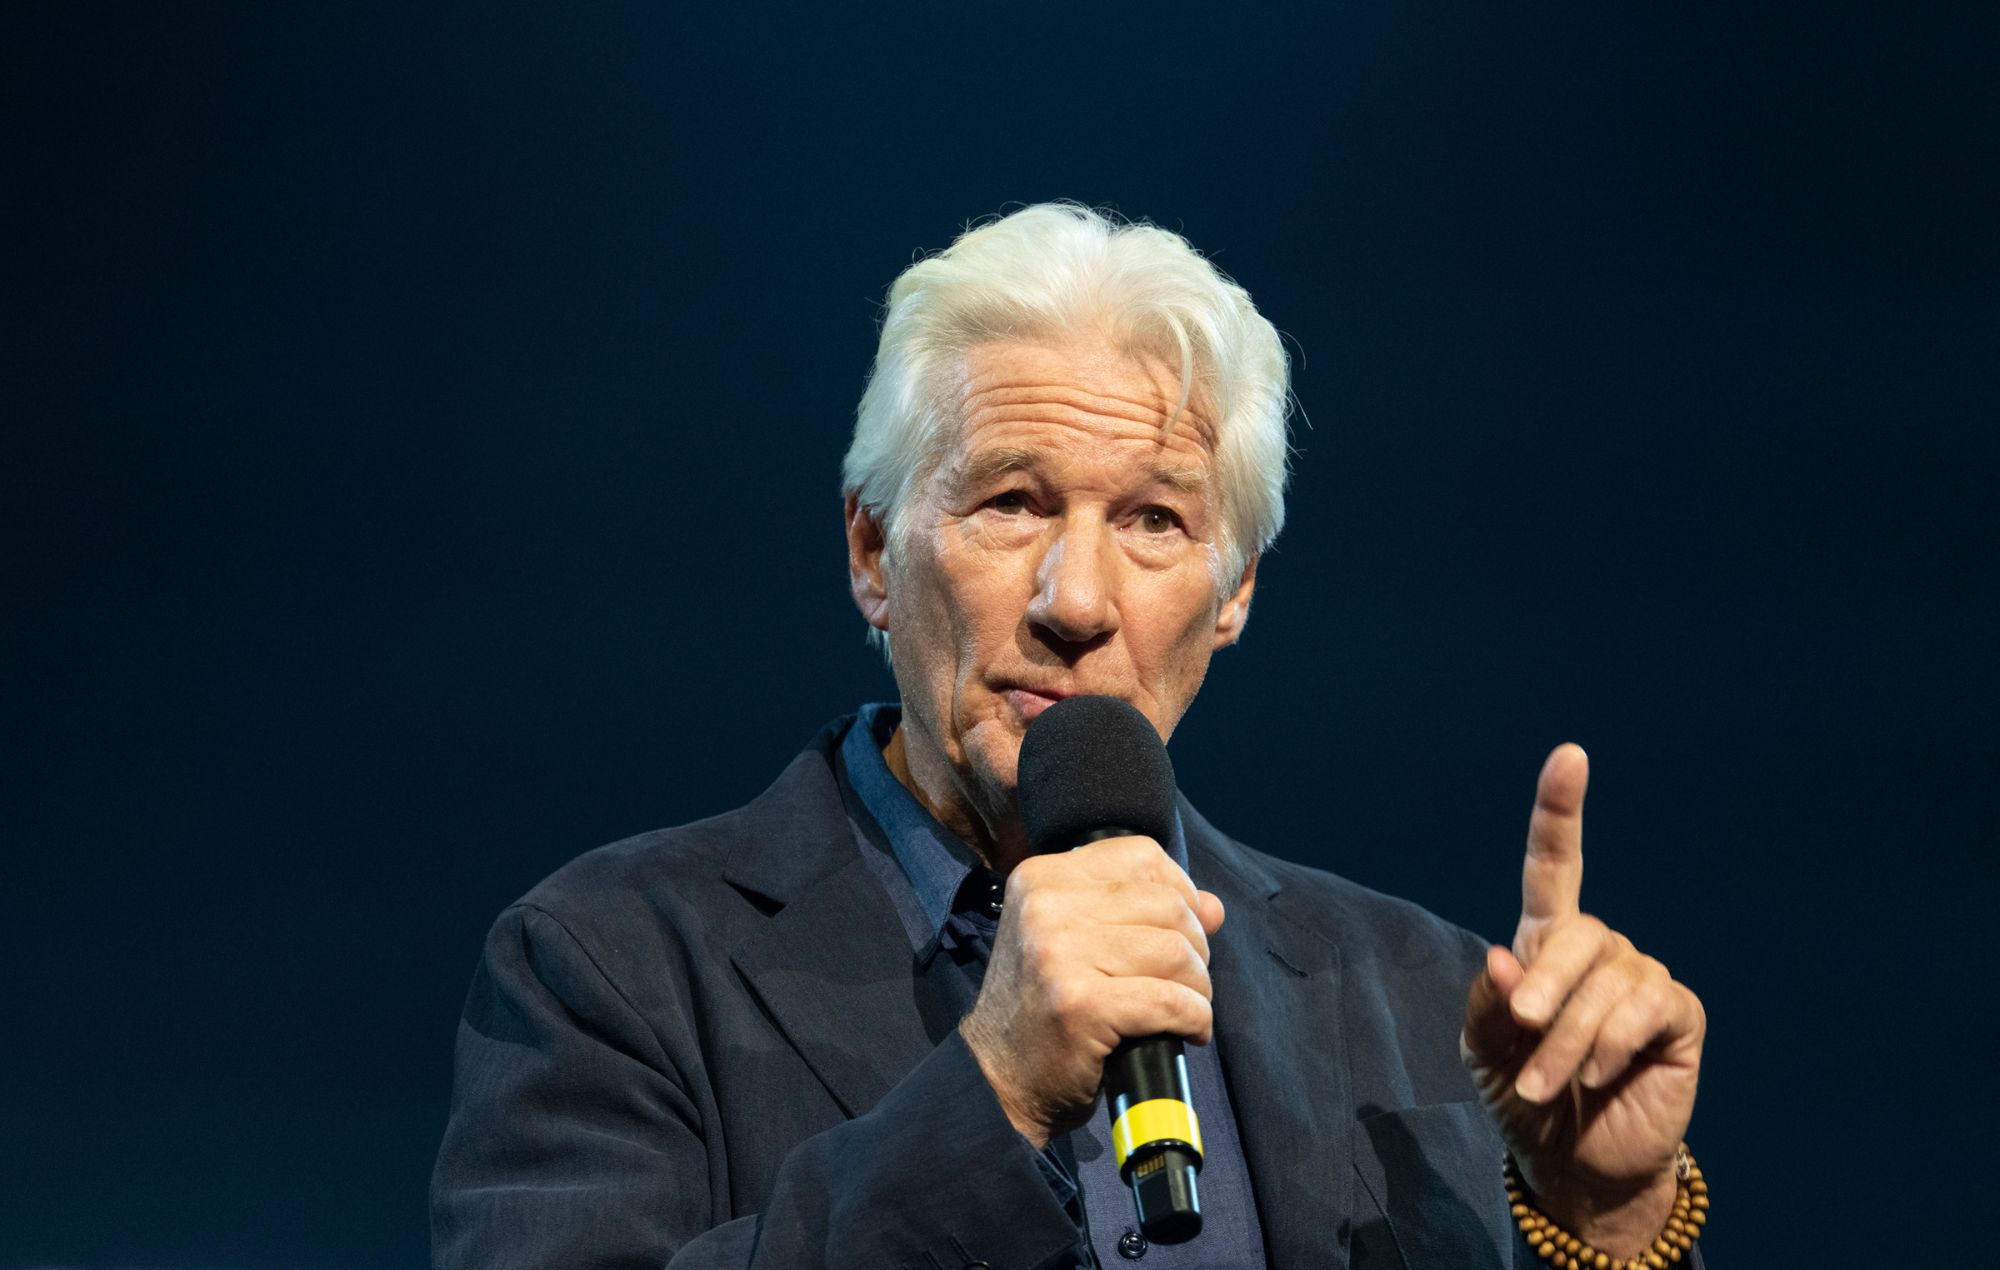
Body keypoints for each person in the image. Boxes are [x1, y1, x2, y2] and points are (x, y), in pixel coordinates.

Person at [431, 203, 1708, 1269]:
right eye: (1010, 502)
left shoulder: (1428, 1002)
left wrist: (1607, 1216)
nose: (1077, 603)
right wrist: (988, 1091)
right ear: (872, 551)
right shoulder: (607, 967)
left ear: (1235, 591)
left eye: (1154, 519)